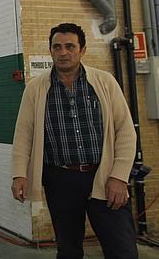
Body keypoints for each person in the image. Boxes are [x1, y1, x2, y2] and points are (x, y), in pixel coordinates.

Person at [11, 23, 138, 258]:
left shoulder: (104, 82)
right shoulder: (35, 89)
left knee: (123, 250)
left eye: (70, 46)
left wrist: (119, 177)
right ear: (50, 51)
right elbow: (23, 134)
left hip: (104, 176)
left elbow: (126, 132)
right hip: (60, 180)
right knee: (68, 249)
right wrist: (20, 173)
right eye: (57, 47)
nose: (63, 52)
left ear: (82, 50)